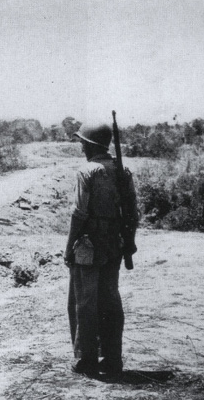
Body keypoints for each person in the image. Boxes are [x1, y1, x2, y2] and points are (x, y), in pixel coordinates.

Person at [64, 123, 138, 377]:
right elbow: (132, 213)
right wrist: (129, 240)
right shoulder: (122, 170)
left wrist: (68, 248)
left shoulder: (87, 171)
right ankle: (113, 358)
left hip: (88, 244)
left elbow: (79, 213)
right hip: (113, 245)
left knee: (84, 302)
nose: (81, 146)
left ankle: (87, 360)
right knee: (110, 301)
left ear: (93, 145)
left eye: (83, 142)